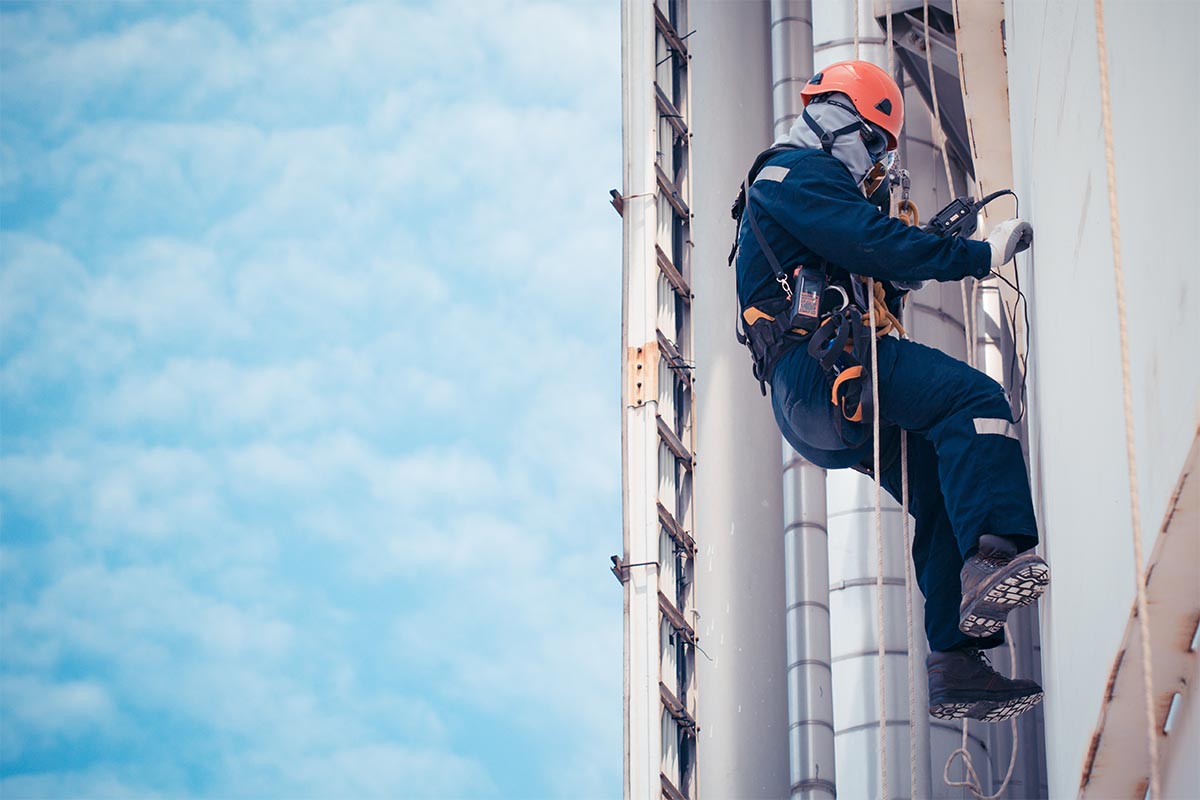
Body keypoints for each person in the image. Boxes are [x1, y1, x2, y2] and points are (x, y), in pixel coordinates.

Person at [731, 60, 1049, 722]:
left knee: (936, 482)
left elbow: (873, 265)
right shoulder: (795, 172)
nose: (876, 159)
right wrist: (976, 258)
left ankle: (956, 661)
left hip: (813, 396)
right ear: (838, 116)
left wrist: (926, 245)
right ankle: (996, 550)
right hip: (828, 369)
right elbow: (873, 244)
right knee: (974, 401)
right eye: (873, 141)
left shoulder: (805, 195)